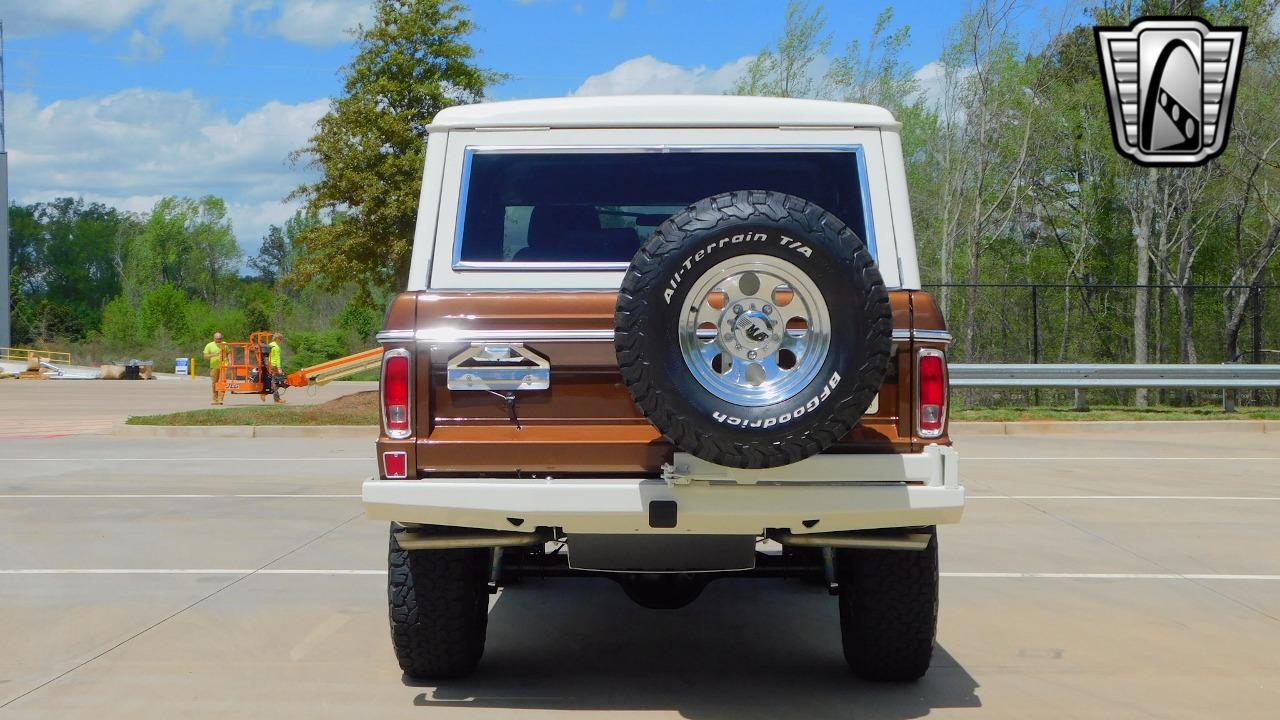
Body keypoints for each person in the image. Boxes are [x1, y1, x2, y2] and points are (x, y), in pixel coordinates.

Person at [202, 332, 226, 405]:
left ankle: (220, 399)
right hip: (214, 367)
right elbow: (205, 356)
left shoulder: (225, 344)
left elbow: (229, 353)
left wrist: (230, 363)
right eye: (217, 339)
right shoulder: (209, 345)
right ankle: (215, 399)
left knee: (223, 383)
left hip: (224, 366)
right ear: (214, 338)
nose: (219, 340)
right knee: (214, 384)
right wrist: (214, 355)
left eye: (220, 339)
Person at [265, 333, 286, 404]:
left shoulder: (270, 345)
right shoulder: (276, 347)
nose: (281, 341)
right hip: (274, 366)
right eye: (280, 339)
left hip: (269, 365)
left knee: (275, 381)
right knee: (279, 381)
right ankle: (276, 399)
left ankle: (267, 394)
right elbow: (277, 359)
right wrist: (279, 368)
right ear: (277, 339)